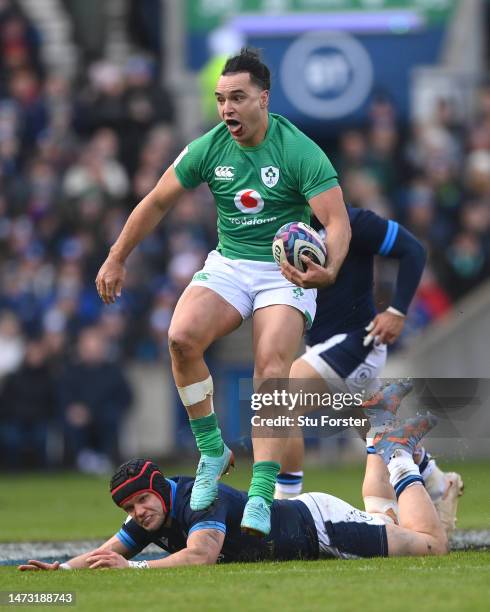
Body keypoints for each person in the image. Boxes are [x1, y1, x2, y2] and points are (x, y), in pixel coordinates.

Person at [95, 48, 351, 536]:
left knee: (271, 367)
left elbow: (336, 222)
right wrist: (116, 256)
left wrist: (329, 267)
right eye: (220, 99)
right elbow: (155, 202)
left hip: (284, 270)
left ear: (263, 99)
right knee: (181, 338)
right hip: (232, 262)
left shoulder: (299, 150)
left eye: (237, 97)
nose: (227, 108)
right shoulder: (208, 148)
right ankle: (213, 451)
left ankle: (261, 488)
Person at [18, 404, 449, 572]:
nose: (137, 513)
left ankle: (398, 454)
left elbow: (202, 555)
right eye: (130, 507)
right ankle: (380, 444)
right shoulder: (153, 511)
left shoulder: (196, 498)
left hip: (323, 530)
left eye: (140, 500)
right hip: (313, 519)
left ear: (160, 488)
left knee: (432, 547)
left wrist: (133, 570)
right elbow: (110, 551)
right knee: (388, 519)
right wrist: (65, 570)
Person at [277, 207, 463, 534]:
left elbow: (413, 250)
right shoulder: (283, 226)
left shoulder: (353, 223)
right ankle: (436, 483)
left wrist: (397, 310)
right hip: (323, 347)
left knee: (280, 402)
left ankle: (282, 508)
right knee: (380, 437)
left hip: (358, 341)